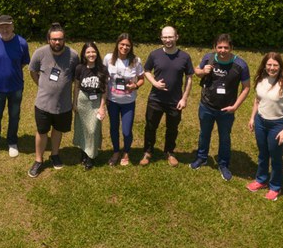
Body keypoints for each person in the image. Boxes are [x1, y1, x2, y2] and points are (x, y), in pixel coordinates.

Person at [190, 33, 251, 180]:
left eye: (226, 47)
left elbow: (246, 87)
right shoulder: (208, 58)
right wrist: (202, 71)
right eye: (220, 47)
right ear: (214, 47)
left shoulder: (240, 65)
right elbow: (196, 71)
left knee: (224, 138)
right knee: (204, 133)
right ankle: (202, 157)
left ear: (231, 48)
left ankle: (223, 164)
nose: (222, 50)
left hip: (226, 110)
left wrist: (235, 106)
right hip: (206, 106)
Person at [27, 23, 78, 178]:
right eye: (54, 39)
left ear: (64, 39)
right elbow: (33, 71)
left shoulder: (73, 55)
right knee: (42, 131)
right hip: (43, 104)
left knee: (58, 130)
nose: (57, 42)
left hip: (64, 105)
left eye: (60, 39)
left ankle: (55, 154)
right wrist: (42, 86)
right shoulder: (40, 53)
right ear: (48, 39)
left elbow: (77, 77)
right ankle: (38, 160)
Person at [246, 52, 283, 200]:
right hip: (261, 122)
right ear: (265, 65)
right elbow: (257, 100)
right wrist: (252, 118)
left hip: (278, 125)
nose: (272, 68)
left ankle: (275, 187)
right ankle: (261, 180)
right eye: (269, 64)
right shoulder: (261, 80)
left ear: (280, 67)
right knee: (263, 153)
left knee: (275, 156)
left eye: (275, 65)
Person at [140, 26, 193, 167]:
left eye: (170, 37)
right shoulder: (154, 54)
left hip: (175, 101)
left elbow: (189, 78)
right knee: (150, 127)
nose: (168, 40)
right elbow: (146, 71)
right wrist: (154, 83)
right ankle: (148, 152)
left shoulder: (184, 57)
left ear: (176, 37)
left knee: (172, 128)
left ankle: (169, 152)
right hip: (155, 99)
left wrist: (184, 98)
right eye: (165, 37)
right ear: (161, 38)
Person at [0, 14, 30, 158]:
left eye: (7, 26)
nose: (5, 29)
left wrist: (11, 71)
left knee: (14, 116)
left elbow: (24, 62)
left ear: (13, 26)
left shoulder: (21, 43)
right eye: (1, 26)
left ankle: (12, 142)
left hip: (15, 87)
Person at [104, 33, 144, 166]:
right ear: (117, 44)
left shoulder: (136, 61)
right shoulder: (109, 58)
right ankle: (116, 151)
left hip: (128, 102)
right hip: (112, 101)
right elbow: (104, 76)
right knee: (114, 127)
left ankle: (126, 151)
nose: (124, 47)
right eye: (122, 44)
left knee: (126, 130)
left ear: (131, 46)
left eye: (127, 45)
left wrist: (135, 86)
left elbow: (142, 79)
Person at [72, 41, 107, 170]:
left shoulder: (102, 69)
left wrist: (102, 107)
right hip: (82, 101)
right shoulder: (79, 68)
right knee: (82, 128)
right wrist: (74, 102)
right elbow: (76, 86)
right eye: (88, 52)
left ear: (97, 53)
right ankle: (84, 152)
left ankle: (91, 156)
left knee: (93, 130)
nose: (91, 54)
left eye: (93, 51)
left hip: (96, 102)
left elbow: (104, 90)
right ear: (84, 54)